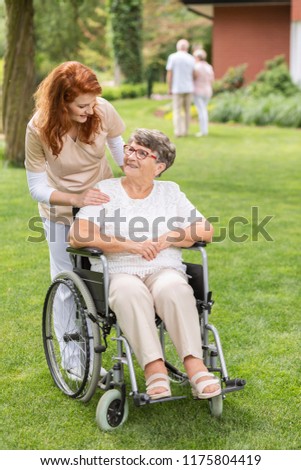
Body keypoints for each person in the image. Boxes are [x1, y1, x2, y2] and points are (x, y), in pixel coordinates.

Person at [69, 128, 221, 400]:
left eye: (141, 153)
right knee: (130, 293)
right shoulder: (105, 190)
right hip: (118, 270)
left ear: (159, 166)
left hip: (164, 267)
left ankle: (195, 366)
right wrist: (129, 245)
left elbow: (205, 229)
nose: (130, 156)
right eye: (129, 149)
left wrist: (168, 238)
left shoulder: (170, 192)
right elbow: (78, 234)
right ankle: (154, 371)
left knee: (175, 288)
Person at [25, 61, 126, 280]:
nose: (90, 111)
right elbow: (36, 188)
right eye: (82, 106)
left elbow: (116, 144)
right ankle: (65, 316)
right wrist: (77, 199)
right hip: (59, 208)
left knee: (108, 270)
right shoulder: (38, 128)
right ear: (61, 103)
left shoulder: (101, 109)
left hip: (102, 202)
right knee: (65, 275)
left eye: (92, 103)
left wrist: (134, 176)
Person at [166, 39, 195, 137]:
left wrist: (169, 87)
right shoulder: (191, 58)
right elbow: (194, 74)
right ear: (187, 47)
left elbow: (170, 74)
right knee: (187, 111)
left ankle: (178, 132)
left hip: (177, 88)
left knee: (177, 110)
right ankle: (186, 131)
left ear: (178, 47)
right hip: (189, 88)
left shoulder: (173, 57)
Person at [193, 49, 214, 137]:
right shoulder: (209, 67)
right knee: (204, 110)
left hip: (198, 91)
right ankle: (204, 130)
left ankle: (203, 131)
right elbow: (212, 79)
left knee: (201, 111)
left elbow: (194, 77)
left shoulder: (196, 67)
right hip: (208, 91)